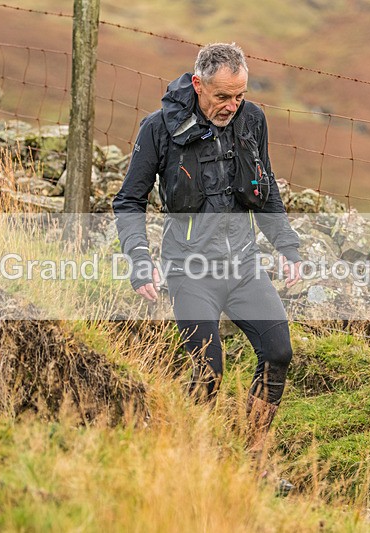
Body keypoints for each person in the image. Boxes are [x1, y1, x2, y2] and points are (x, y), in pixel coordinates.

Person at [112, 43, 301, 461]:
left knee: (278, 352)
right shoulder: (159, 128)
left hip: (244, 267)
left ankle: (253, 457)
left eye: (239, 95)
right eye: (222, 97)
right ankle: (190, 459)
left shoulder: (252, 119)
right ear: (198, 85)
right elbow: (128, 201)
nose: (232, 106)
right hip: (190, 270)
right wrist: (140, 260)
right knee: (208, 371)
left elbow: (265, 189)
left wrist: (286, 246)